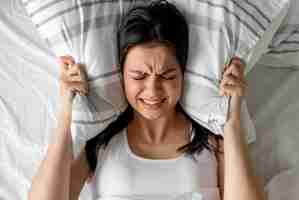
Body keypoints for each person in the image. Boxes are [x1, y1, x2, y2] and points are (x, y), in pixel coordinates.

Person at [28, 1, 266, 200]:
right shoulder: (99, 143)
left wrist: (232, 121)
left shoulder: (212, 141)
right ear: (122, 75)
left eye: (167, 75)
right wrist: (66, 115)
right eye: (139, 76)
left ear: (183, 73)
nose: (152, 89)